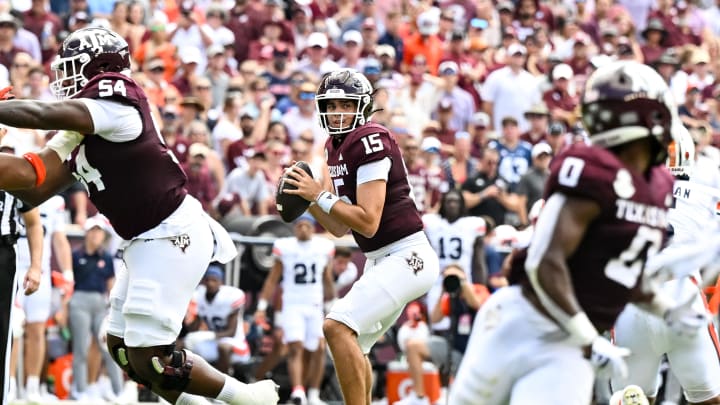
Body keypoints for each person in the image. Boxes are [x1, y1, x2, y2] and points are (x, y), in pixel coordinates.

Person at [0, 27, 278, 405]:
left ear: (98, 67)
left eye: (69, 69)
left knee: (151, 355)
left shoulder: (117, 98)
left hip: (171, 235)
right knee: (121, 348)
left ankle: (247, 397)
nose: (61, 79)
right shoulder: (81, 128)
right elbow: (34, 181)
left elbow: (41, 111)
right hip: (144, 242)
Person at [448, 60, 706, 404]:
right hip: (524, 321)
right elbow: (544, 263)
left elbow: (625, 271)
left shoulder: (657, 184)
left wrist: (666, 308)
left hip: (566, 344)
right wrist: (588, 336)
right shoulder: (587, 171)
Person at [284, 68, 439, 405]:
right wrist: (308, 200)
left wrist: (319, 195)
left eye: (346, 104)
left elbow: (368, 221)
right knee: (353, 341)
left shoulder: (370, 139)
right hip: (381, 258)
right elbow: (341, 227)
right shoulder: (333, 146)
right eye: (332, 105)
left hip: (406, 254)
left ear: (363, 107)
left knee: (336, 327)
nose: (338, 112)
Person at [610, 126, 720, 404]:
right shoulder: (705, 195)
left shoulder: (615, 197)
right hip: (681, 298)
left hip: (631, 304)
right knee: (710, 398)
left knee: (632, 397)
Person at [256, 214, 335, 405]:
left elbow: (327, 279)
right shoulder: (285, 246)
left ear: (314, 227)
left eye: (307, 225)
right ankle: (298, 391)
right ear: (294, 228)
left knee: (317, 349)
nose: (303, 229)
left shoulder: (323, 247)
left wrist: (332, 306)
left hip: (315, 304)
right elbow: (273, 279)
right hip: (292, 304)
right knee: (295, 347)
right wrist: (261, 307)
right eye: (299, 225)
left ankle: (314, 394)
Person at [395, 264, 490, 405]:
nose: (453, 280)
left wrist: (463, 284)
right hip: (454, 348)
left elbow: (477, 305)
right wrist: (443, 291)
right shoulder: (450, 297)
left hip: (476, 354)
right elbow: (434, 319)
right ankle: (419, 399)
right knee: (413, 346)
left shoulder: (479, 289)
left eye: (455, 277)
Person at [11, 193, 71, 403]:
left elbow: (59, 238)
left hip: (40, 270)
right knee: (14, 330)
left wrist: (68, 273)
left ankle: (32, 385)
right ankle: (9, 385)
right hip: (13, 267)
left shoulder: (55, 201)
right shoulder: (13, 189)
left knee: (37, 329)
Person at [68, 215, 123, 400]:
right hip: (79, 301)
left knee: (108, 346)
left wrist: (113, 310)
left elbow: (111, 285)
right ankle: (80, 390)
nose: (96, 235)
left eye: (99, 232)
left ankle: (118, 392)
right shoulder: (76, 255)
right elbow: (69, 282)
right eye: (93, 231)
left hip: (100, 303)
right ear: (87, 233)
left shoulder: (106, 257)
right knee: (81, 347)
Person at [422, 190, 487, 331]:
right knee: (438, 325)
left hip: (465, 282)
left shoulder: (472, 225)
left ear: (462, 204)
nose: (452, 205)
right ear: (442, 204)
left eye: (455, 201)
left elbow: (478, 261)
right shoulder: (431, 222)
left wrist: (481, 286)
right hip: (439, 282)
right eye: (448, 201)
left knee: (467, 326)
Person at [0, 192, 41, 405]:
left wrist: (35, 267)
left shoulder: (13, 173)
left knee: (3, 332)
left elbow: (34, 222)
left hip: (3, 253)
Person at [184, 265, 251, 378]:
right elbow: (195, 326)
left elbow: (231, 332)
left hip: (235, 343)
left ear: (221, 282)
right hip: (214, 342)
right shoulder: (199, 295)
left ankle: (224, 383)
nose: (210, 283)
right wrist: (189, 319)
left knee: (223, 347)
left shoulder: (230, 296)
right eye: (208, 280)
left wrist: (205, 335)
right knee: (185, 346)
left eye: (214, 280)